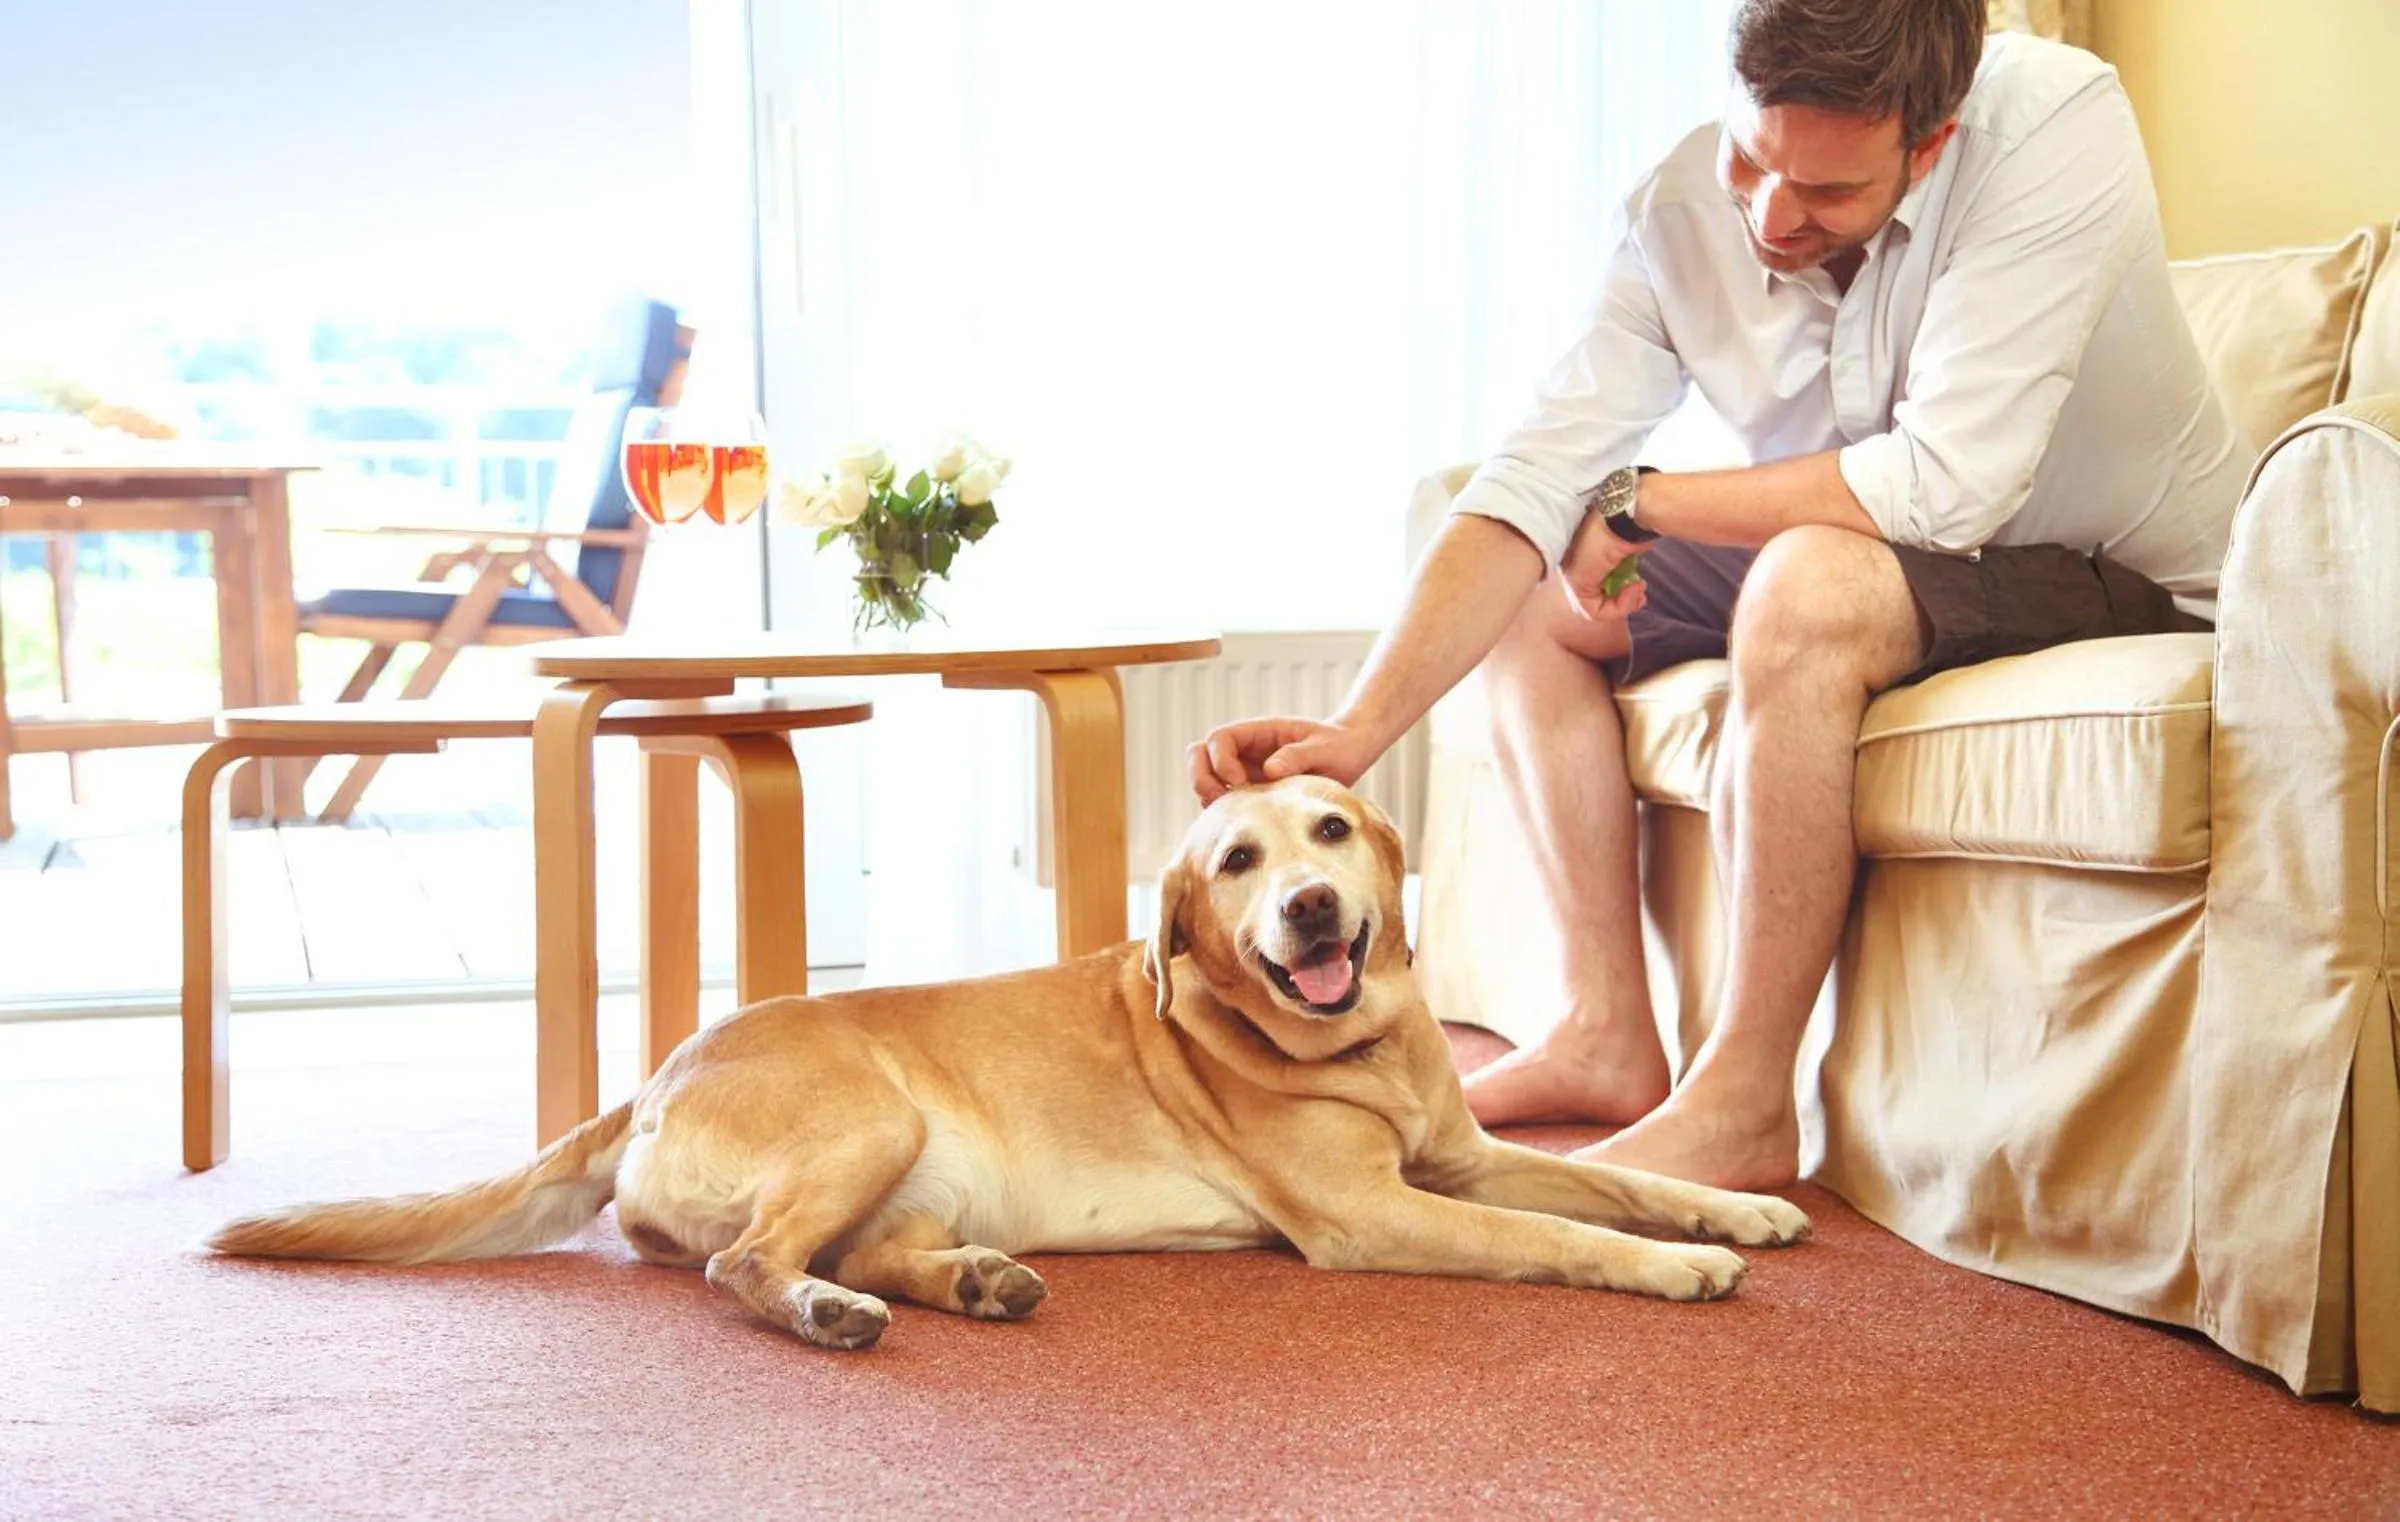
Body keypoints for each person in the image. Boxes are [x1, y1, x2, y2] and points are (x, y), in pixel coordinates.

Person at [1188, 0, 2244, 1192]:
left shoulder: (2057, 123)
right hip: (1884, 560)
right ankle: (1603, 1030)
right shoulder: (1680, 209)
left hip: (2118, 574)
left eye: (1828, 193)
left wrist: (1642, 500)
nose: (1770, 214)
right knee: (1543, 595)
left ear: (1929, 146)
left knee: (1800, 576)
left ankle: (1743, 1102)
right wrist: (1351, 734)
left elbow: (1947, 488)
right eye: (1752, 153)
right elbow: (1534, 478)